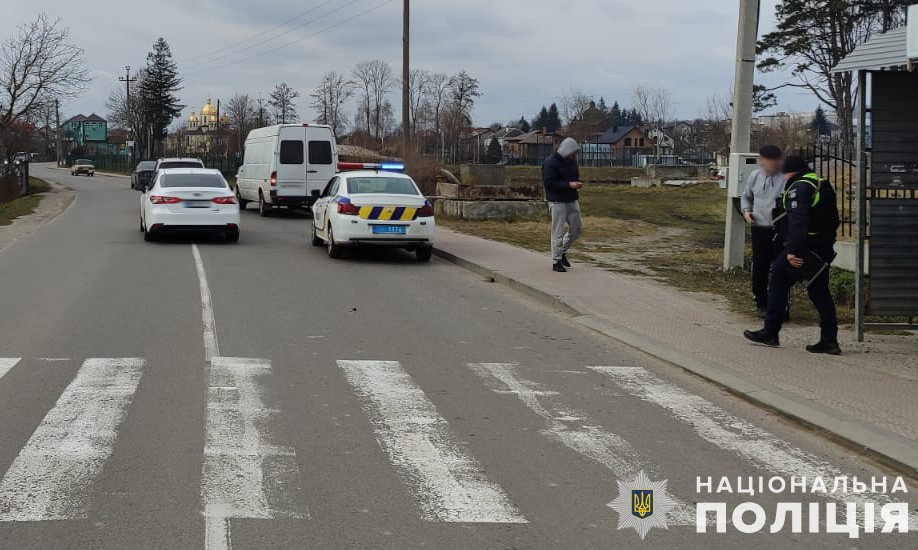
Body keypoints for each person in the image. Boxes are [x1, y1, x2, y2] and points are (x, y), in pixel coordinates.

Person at [744, 156, 841, 355]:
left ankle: (770, 332)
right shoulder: (821, 183)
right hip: (822, 247)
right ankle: (829, 340)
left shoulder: (799, 187)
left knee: (778, 281)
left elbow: (799, 222)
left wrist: (792, 251)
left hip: (804, 248)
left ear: (790, 171)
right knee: (820, 292)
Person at [741, 145, 786, 318]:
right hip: (759, 228)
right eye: (768, 161)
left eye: (775, 161)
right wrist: (746, 211)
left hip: (779, 230)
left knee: (780, 270)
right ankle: (761, 303)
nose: (772, 165)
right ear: (761, 160)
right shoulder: (755, 176)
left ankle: (781, 306)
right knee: (760, 267)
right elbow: (746, 195)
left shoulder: (785, 177)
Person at [542, 137, 583, 273]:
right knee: (558, 231)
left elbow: (574, 176)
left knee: (576, 228)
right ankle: (556, 260)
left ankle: (562, 251)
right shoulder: (550, 163)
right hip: (557, 200)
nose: (574, 156)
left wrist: (575, 184)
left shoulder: (572, 162)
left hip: (571, 198)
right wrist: (569, 184)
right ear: (567, 150)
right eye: (573, 152)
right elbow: (549, 183)